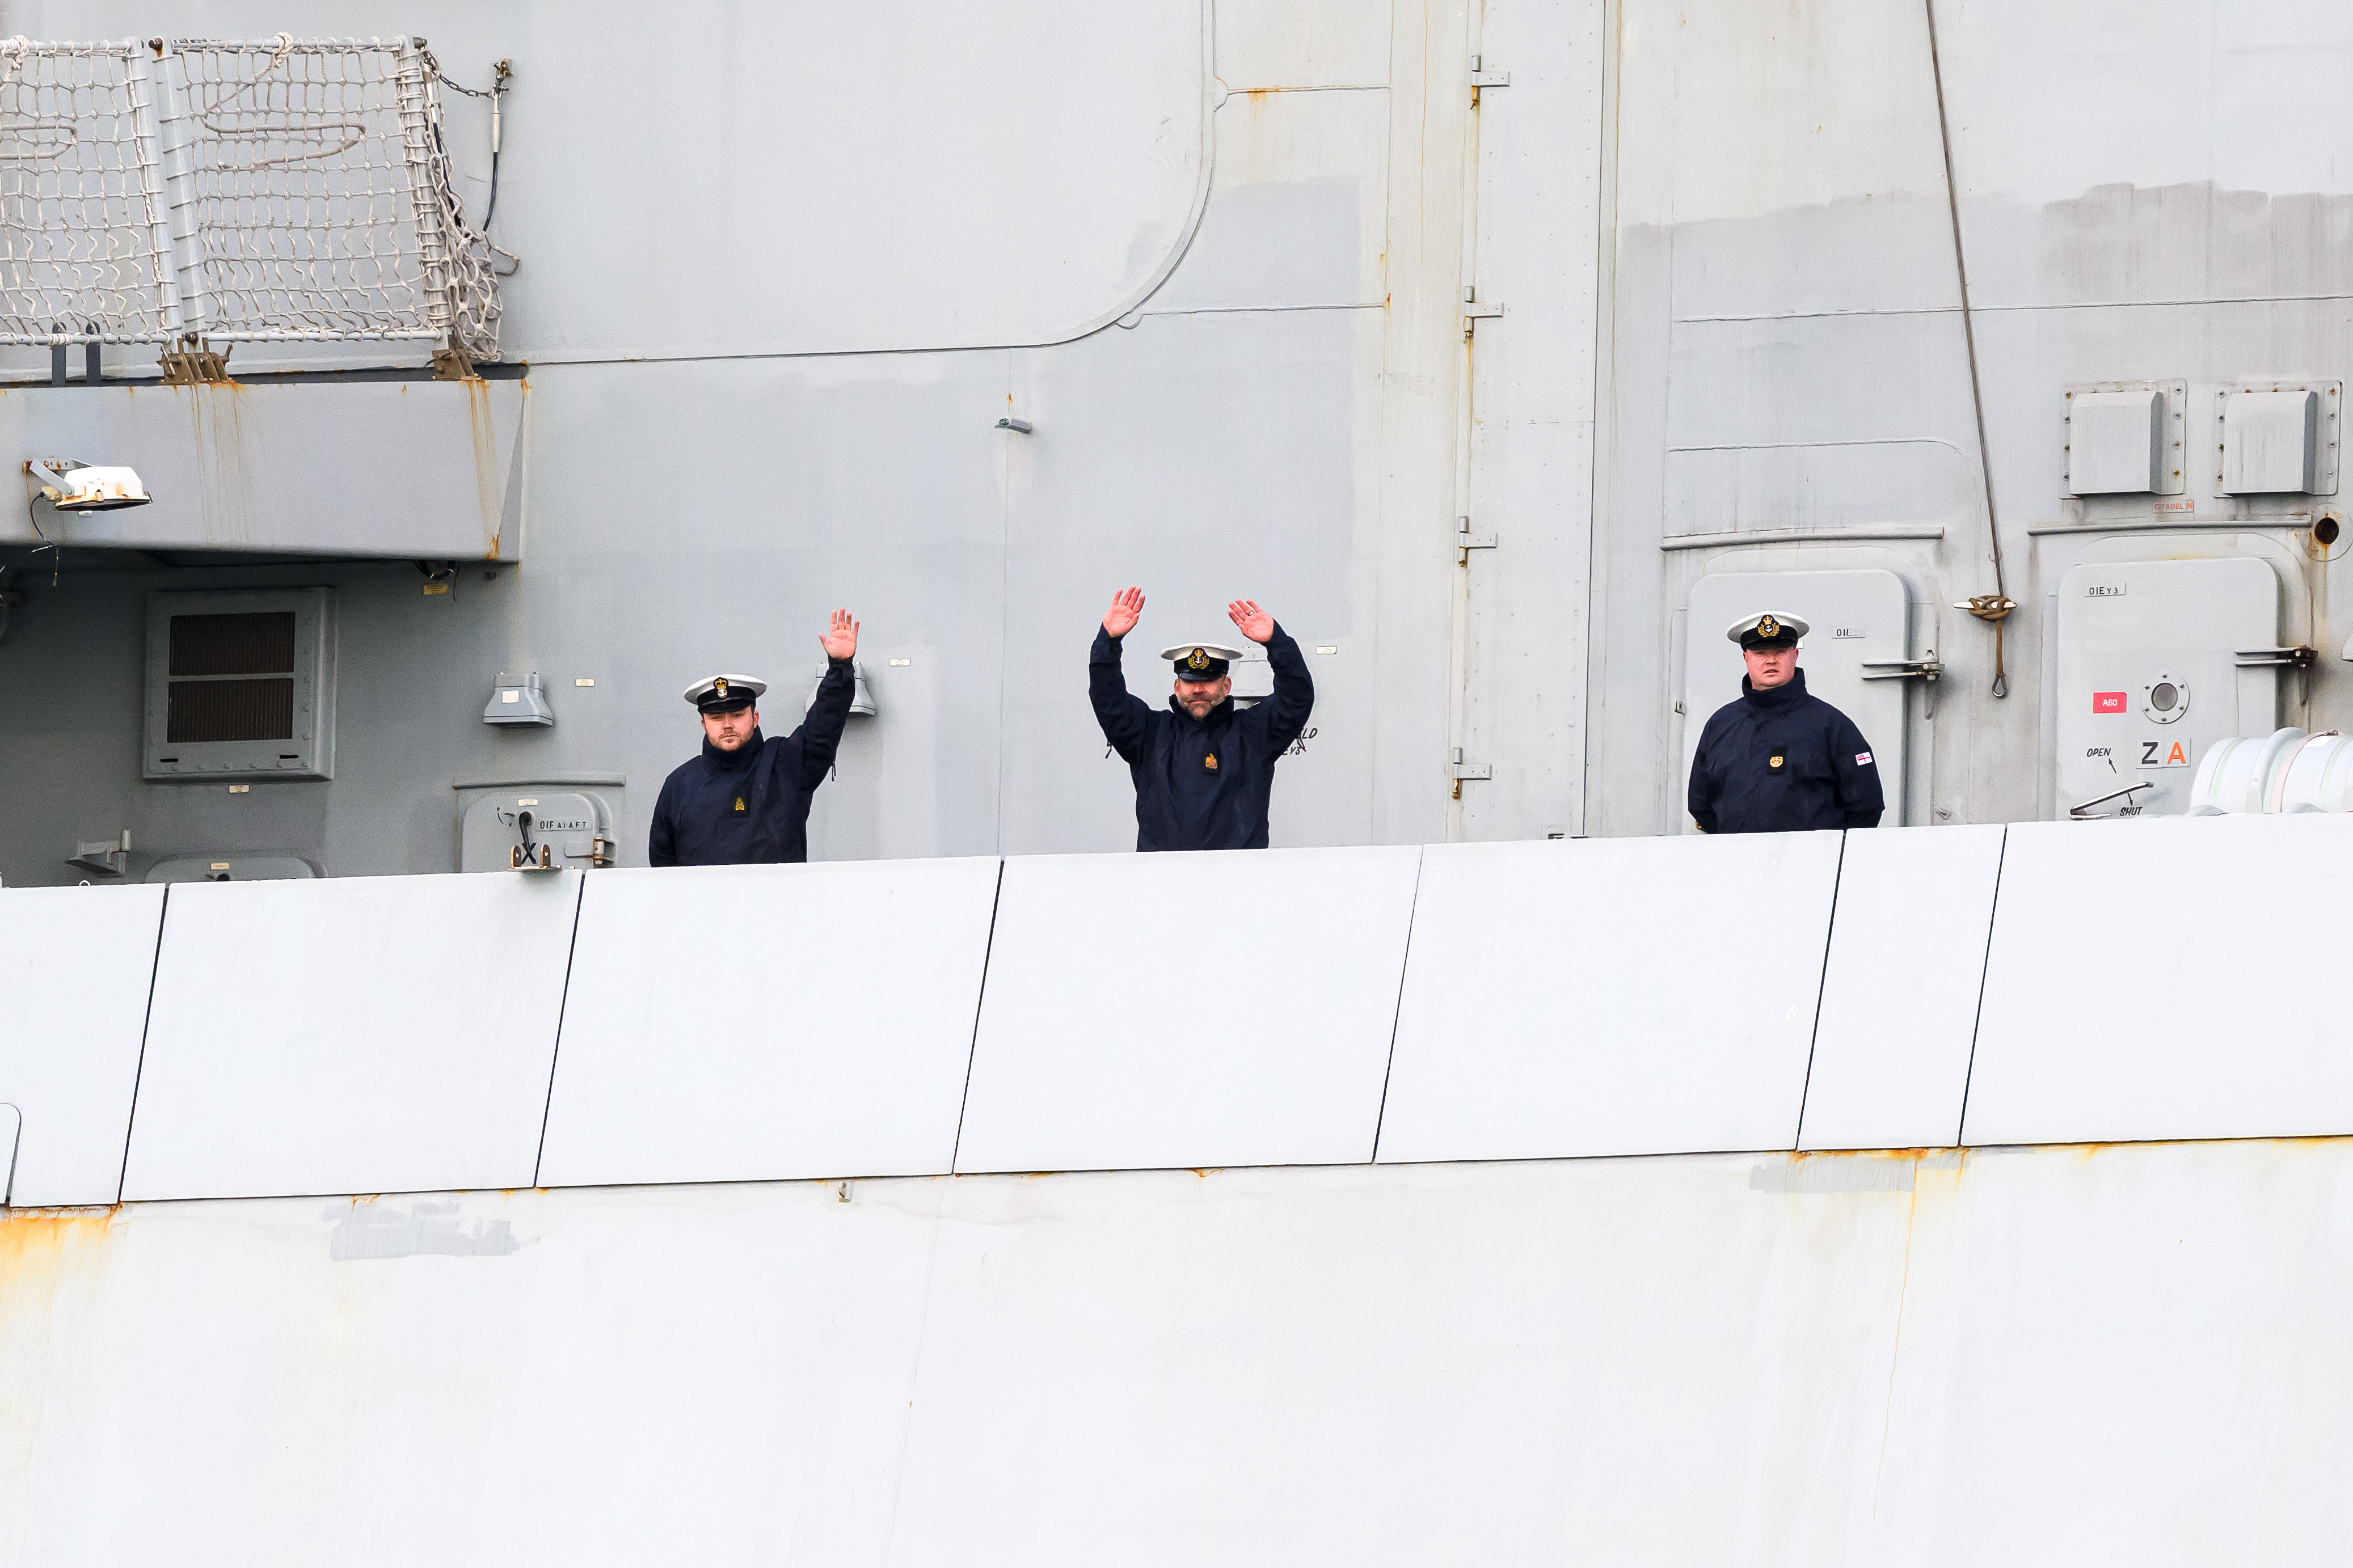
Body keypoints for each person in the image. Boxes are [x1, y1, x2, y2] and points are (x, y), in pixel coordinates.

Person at [1089, 586, 1314, 851]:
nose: (1198, 689)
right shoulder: (1149, 734)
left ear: (1227, 686)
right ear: (1177, 687)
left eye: (1209, 681)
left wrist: (1276, 642)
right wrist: (1108, 642)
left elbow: (1297, 697)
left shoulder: (1254, 734)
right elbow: (1108, 699)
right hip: (1162, 885)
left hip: (1238, 885)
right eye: (1190, 681)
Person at [648, 609, 859, 867]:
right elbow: (662, 867)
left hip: (778, 906)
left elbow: (823, 726)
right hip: (703, 907)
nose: (727, 725)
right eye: (716, 718)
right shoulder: (679, 784)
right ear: (703, 723)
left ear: (755, 718)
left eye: (737, 715)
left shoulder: (788, 763)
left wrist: (839, 668)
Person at [1688, 611, 1884, 834]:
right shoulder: (1720, 725)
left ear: (1795, 655)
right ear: (1746, 658)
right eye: (1761, 653)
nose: (1771, 660)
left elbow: (1867, 806)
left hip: (1810, 865)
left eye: (1780, 651)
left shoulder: (1831, 725)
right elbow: (1700, 805)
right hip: (1738, 863)